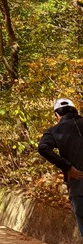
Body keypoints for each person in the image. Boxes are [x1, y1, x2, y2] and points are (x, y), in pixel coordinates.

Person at [38, 98, 83, 235]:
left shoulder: (54, 130)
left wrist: (67, 167)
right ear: (76, 110)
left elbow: (43, 148)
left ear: (56, 115)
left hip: (78, 185)